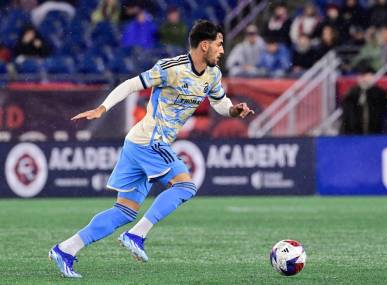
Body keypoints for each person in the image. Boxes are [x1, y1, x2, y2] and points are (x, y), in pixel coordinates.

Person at [48, 20, 254, 278]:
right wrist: (102, 108)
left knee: (124, 211)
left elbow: (220, 102)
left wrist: (233, 111)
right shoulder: (171, 68)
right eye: (219, 44)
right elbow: (131, 84)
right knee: (186, 186)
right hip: (149, 140)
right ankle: (137, 234)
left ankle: (66, 249)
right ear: (204, 45)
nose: (222, 50)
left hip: (139, 143)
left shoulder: (213, 75)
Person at [340, 65, 387, 134]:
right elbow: (347, 113)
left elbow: (384, 108)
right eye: (366, 76)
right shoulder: (352, 93)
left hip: (375, 132)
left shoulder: (379, 93)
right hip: (355, 132)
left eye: (371, 76)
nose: (368, 78)